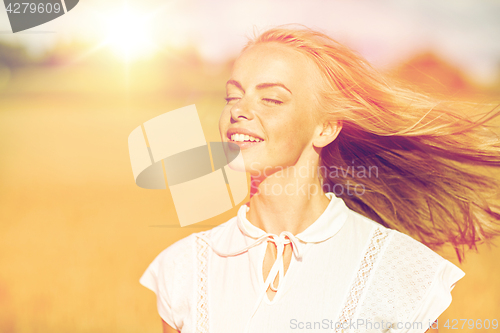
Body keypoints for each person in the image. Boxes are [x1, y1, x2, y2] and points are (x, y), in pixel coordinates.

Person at [139, 25, 500, 333]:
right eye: (233, 96)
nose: (238, 110)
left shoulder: (402, 272)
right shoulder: (183, 267)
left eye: (272, 100)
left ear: (326, 127)